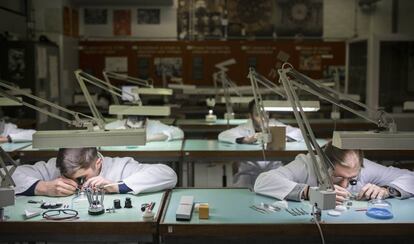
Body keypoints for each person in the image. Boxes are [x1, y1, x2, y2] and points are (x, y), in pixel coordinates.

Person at [254, 141, 414, 205]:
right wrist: (308, 192)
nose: (344, 184)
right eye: (338, 176)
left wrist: (387, 190)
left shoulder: (364, 167)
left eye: (351, 179)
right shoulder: (308, 164)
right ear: (324, 164)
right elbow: (263, 181)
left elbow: (410, 177)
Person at [12, 147, 177, 196]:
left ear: (98, 163)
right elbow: (5, 176)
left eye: (81, 179)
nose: (76, 185)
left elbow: (168, 174)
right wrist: (42, 187)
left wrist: (117, 186)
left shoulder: (120, 167)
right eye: (67, 178)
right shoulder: (52, 169)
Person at [218, 99, 304, 188]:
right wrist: (246, 139)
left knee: (282, 193)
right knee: (243, 193)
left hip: (274, 171)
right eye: (258, 115)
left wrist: (282, 137)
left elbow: (300, 133)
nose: (263, 118)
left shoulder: (274, 124)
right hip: (249, 173)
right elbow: (223, 135)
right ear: (250, 116)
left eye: (266, 114)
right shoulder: (244, 128)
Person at [104, 116, 184, 142]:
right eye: (130, 127)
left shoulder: (153, 125)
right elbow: (95, 130)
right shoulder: (119, 124)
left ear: (145, 123)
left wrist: (147, 138)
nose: (133, 131)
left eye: (138, 128)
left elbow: (179, 133)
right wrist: (114, 132)